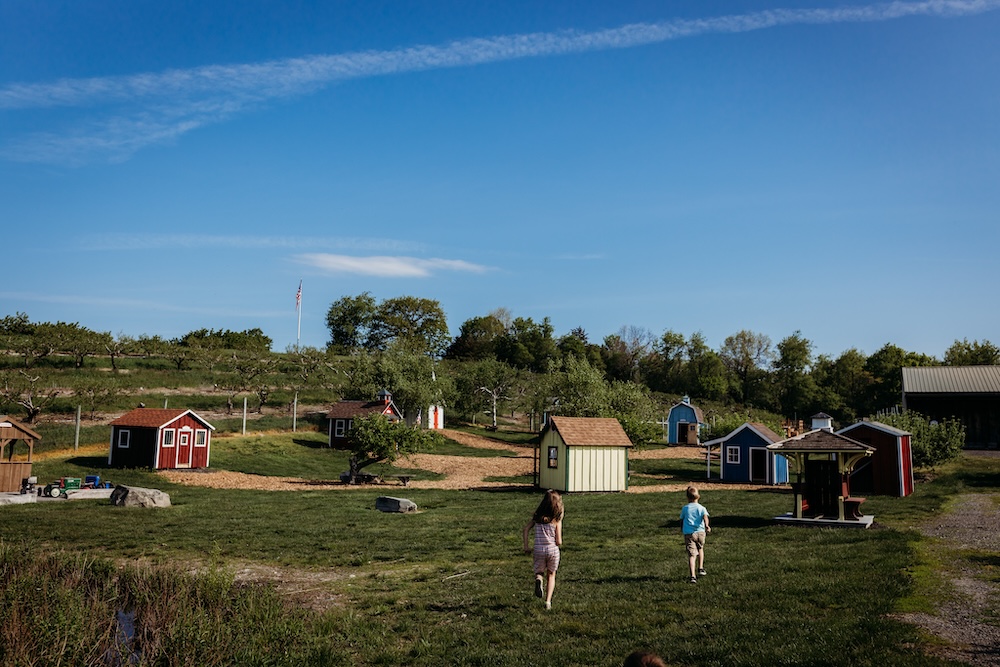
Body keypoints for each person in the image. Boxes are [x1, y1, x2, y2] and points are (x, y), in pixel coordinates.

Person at [522, 489, 563, 609]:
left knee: (539, 572)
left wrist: (526, 546)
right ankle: (548, 602)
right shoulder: (556, 520)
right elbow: (558, 541)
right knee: (551, 575)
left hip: (538, 549)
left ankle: (539, 580)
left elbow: (525, 529)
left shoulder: (537, 518)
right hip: (552, 551)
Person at [680, 485, 711, 583]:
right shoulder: (701, 508)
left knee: (692, 555)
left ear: (687, 497)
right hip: (701, 532)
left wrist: (682, 528)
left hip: (689, 533)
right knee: (700, 548)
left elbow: (682, 519)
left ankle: (693, 576)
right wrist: (707, 526)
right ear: (698, 496)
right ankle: (701, 568)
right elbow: (705, 517)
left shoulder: (685, 508)